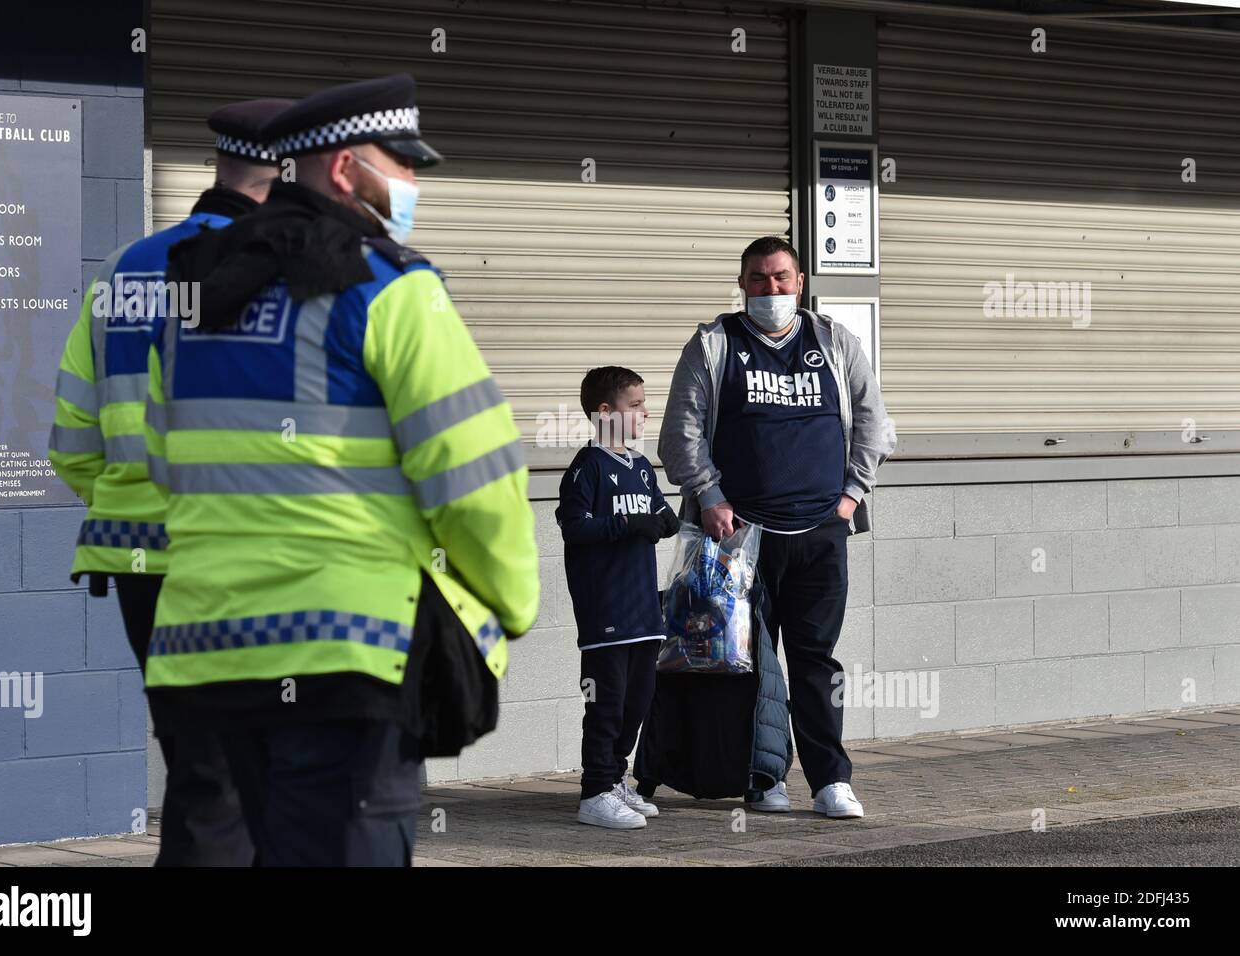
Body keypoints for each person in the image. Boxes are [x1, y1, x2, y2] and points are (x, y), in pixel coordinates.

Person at [143, 73, 539, 866]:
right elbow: (473, 475)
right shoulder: (391, 291)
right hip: (345, 657)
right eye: (403, 165)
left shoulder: (194, 296)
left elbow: (163, 460)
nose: (414, 184)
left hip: (209, 656)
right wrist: (511, 602)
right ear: (346, 169)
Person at [47, 99, 292, 865]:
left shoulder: (123, 270)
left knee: (200, 762)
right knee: (245, 782)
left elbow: (72, 438)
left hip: (138, 562)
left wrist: (129, 500)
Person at [658, 235, 895, 818]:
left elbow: (875, 424)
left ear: (800, 282)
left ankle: (830, 781)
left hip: (821, 533)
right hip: (739, 540)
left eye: (781, 278)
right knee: (748, 664)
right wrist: (709, 497)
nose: (771, 289)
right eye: (759, 279)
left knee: (817, 661)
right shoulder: (714, 344)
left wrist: (851, 497)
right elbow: (679, 435)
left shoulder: (834, 342)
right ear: (742, 285)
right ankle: (763, 779)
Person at [556, 366, 679, 828]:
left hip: (644, 611)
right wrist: (628, 526)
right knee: (605, 703)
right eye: (636, 405)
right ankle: (594, 792)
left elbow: (659, 511)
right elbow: (574, 526)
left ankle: (614, 779)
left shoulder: (641, 467)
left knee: (638, 701)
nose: (645, 413)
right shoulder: (588, 467)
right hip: (605, 610)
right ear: (604, 412)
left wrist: (669, 520)